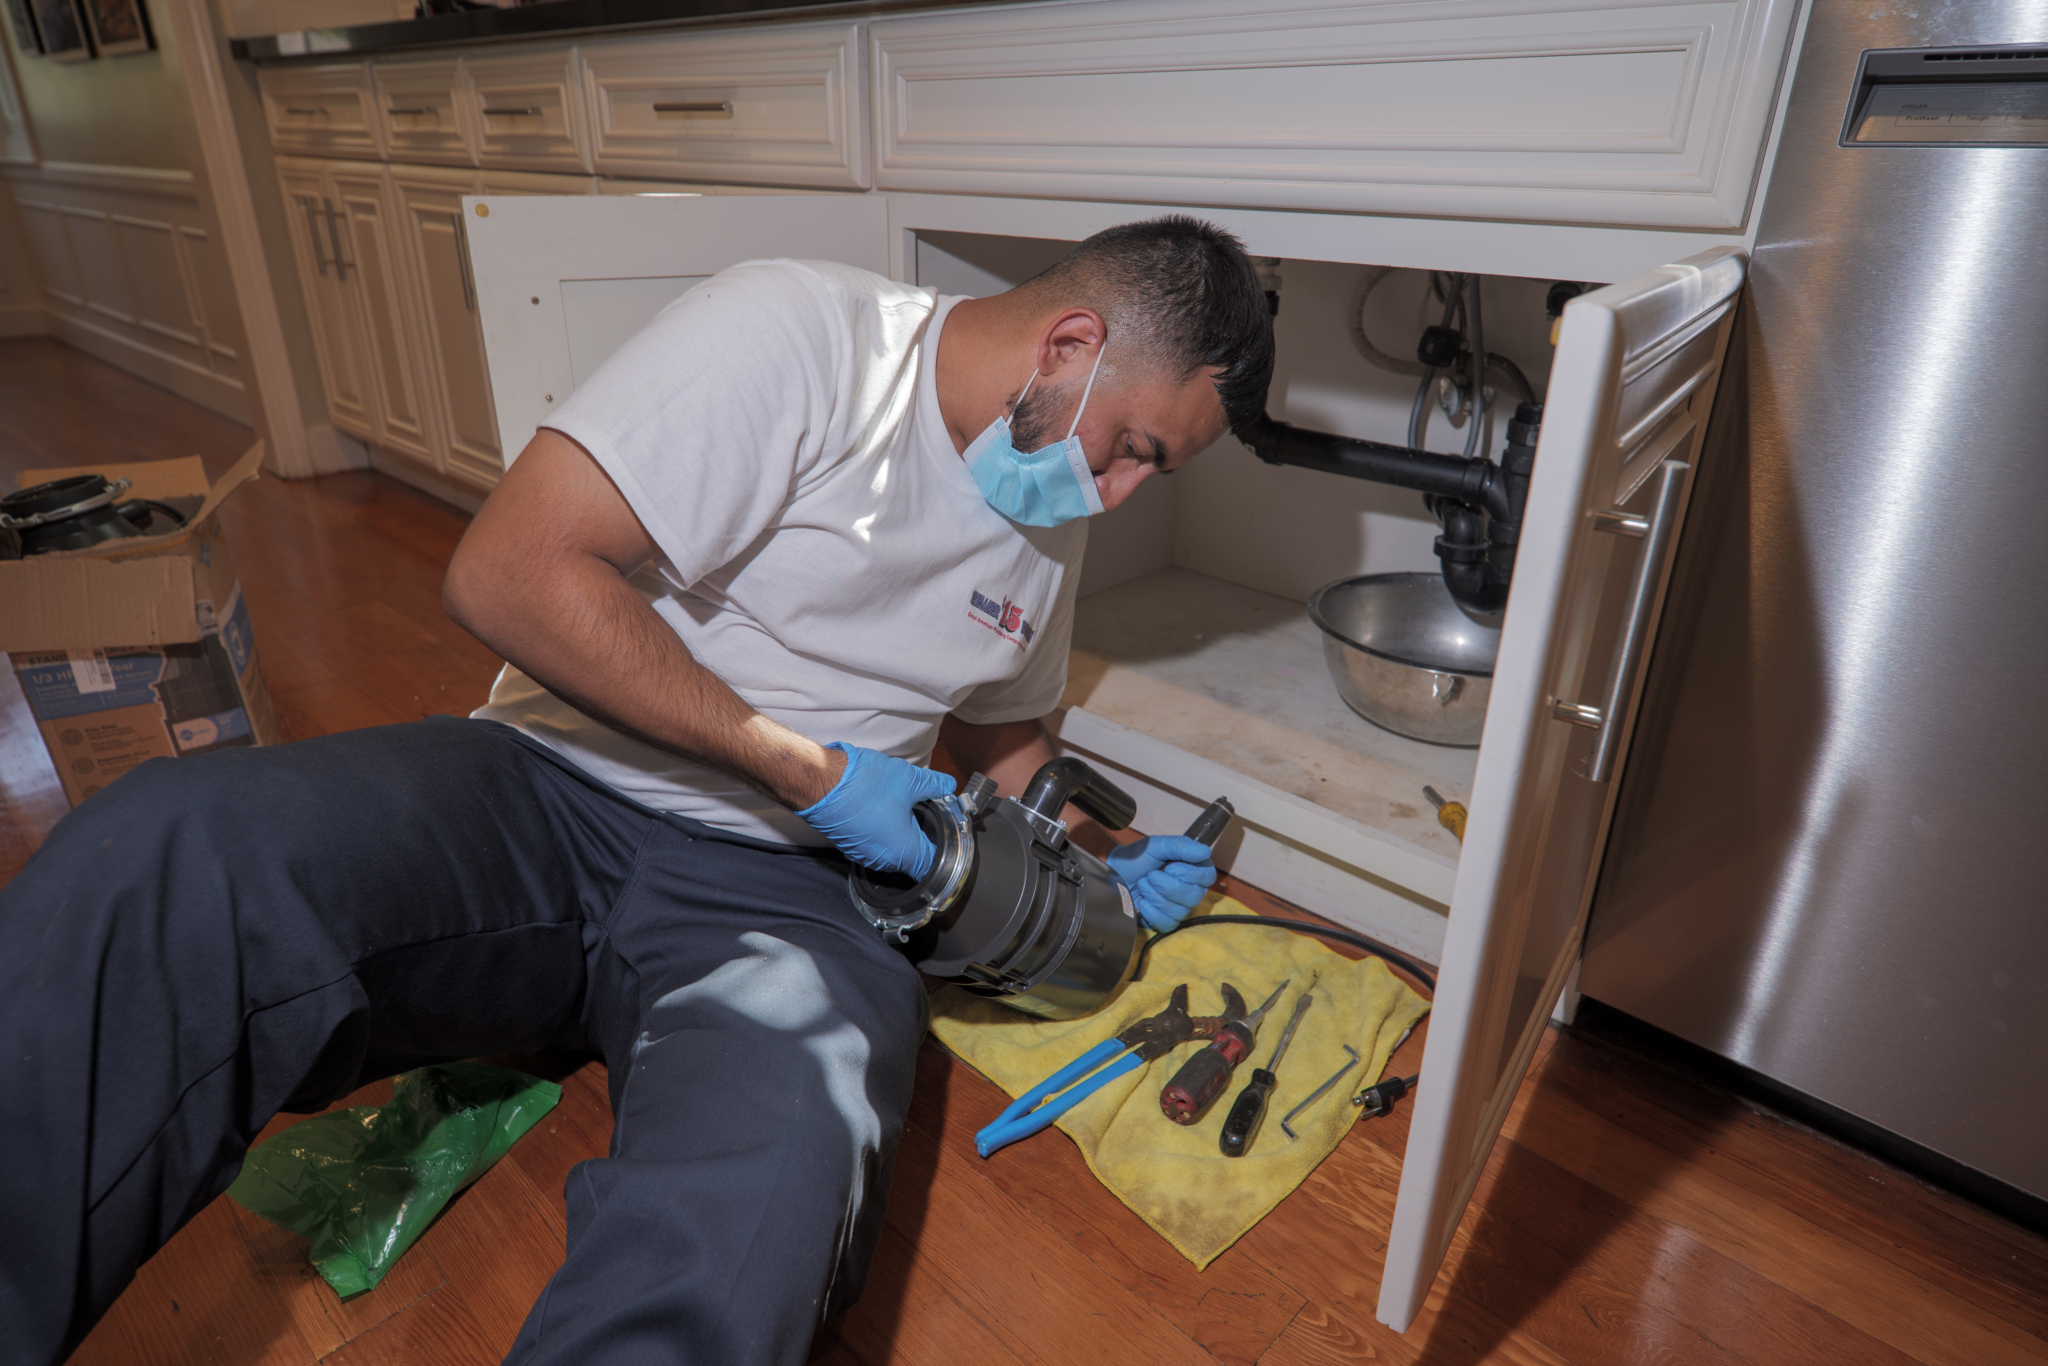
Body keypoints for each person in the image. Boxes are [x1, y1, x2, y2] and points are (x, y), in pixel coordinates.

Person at [0, 215, 1275, 1364]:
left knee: (772, 1195)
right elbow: (509, 569)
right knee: (173, 854)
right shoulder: (801, 336)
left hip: (798, 902)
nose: (1115, 494)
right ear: (1068, 345)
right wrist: (808, 769)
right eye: (1131, 449)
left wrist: (1089, 846)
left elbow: (1001, 726)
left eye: (1147, 475)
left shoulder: (1053, 509)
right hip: (548, 790)